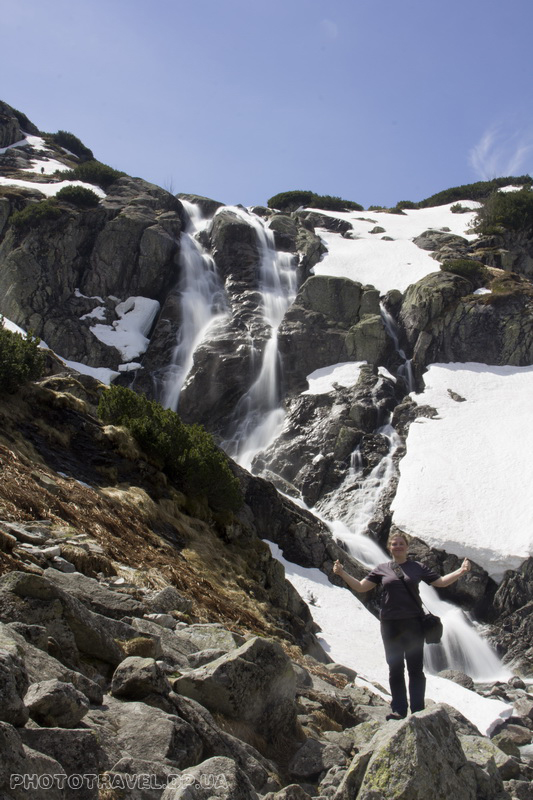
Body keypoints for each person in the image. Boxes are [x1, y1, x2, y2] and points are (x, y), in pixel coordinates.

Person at [333, 531, 471, 720]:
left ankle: (417, 709)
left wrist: (461, 571)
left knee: (415, 669)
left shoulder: (417, 567)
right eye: (394, 544)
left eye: (401, 544)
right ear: (390, 548)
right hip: (390, 624)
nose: (397, 546)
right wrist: (342, 573)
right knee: (395, 668)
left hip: (413, 623)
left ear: (407, 547)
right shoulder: (381, 568)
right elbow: (361, 587)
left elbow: (440, 582)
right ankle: (398, 709)